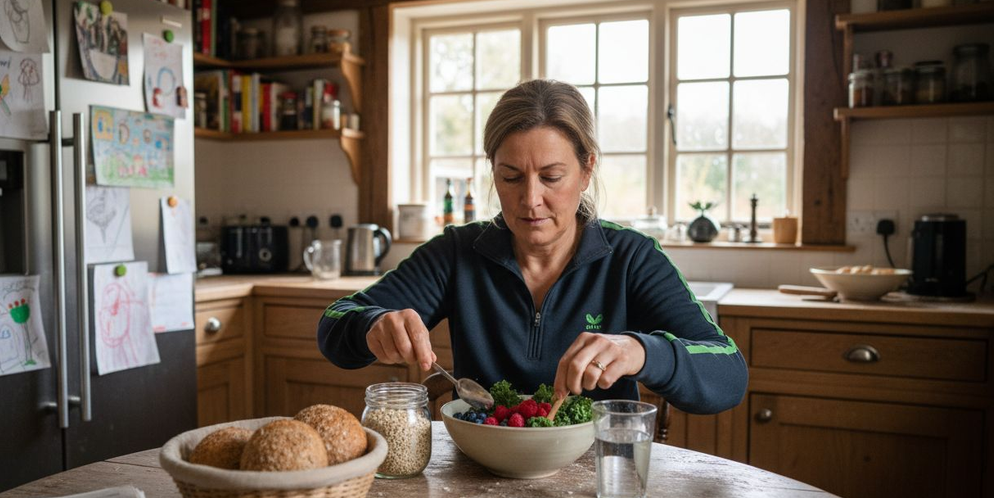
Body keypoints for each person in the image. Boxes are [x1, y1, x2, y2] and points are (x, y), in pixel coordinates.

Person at [318, 79, 747, 413]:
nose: (530, 199)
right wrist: (371, 326)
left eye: (551, 177)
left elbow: (729, 372)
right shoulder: (456, 253)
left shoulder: (632, 258)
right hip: (477, 477)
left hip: (593, 478)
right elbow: (335, 321)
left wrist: (639, 350)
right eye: (511, 177)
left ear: (586, 169)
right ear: (492, 172)